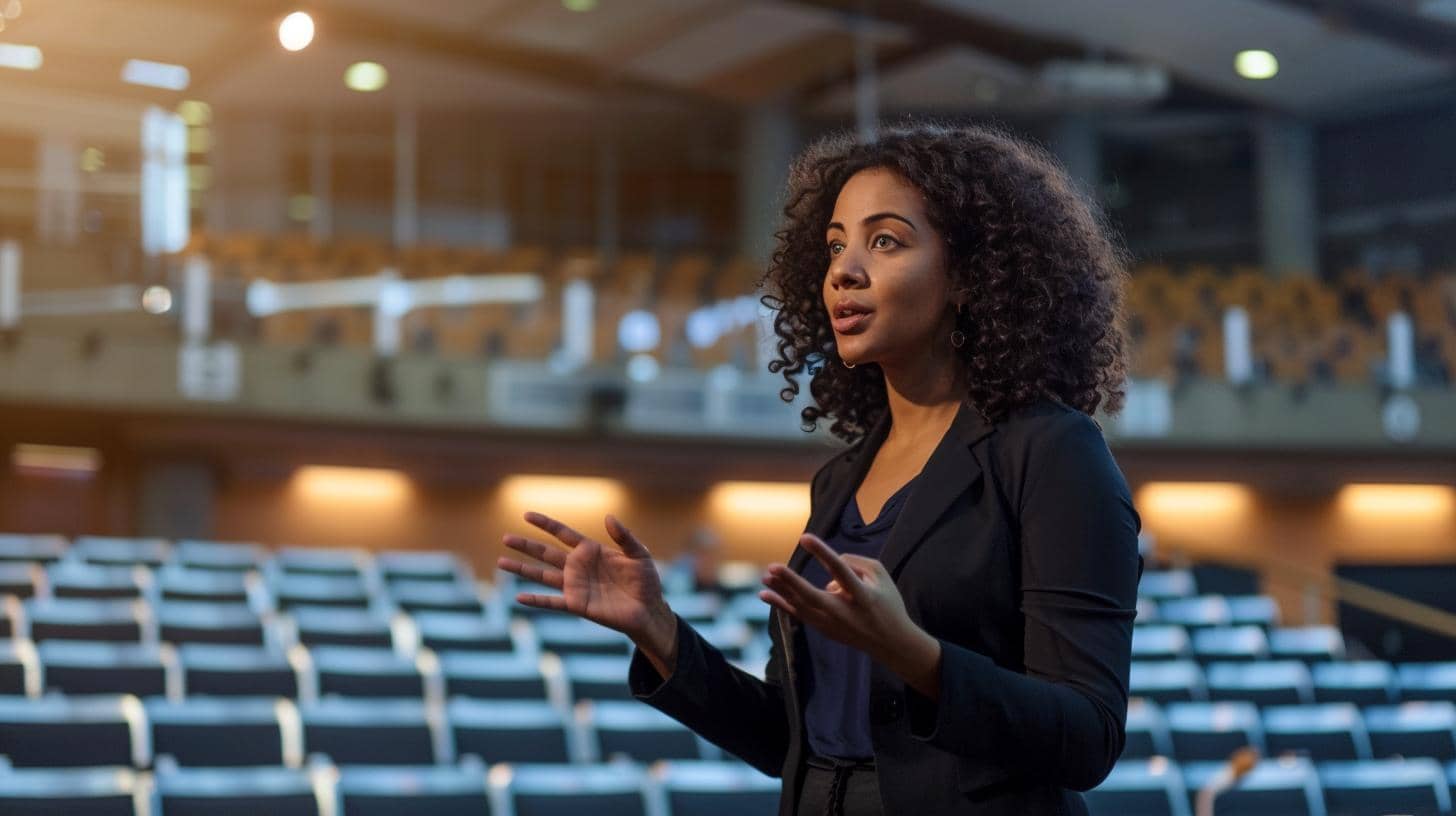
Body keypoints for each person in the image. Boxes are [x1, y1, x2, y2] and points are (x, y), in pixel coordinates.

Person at [497, 122, 1144, 815]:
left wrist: (917, 656)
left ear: (968, 274)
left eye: (885, 241)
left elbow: (1088, 736)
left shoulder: (1052, 452)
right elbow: (792, 740)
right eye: (836, 245)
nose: (844, 271)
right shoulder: (839, 481)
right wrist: (658, 630)